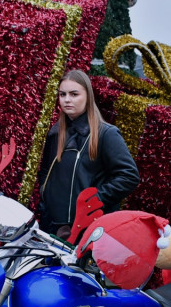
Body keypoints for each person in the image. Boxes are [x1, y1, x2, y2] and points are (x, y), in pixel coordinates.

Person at [39, 69, 140, 237]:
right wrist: (45, 196)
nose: (67, 100)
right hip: (51, 226)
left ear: (88, 96)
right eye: (62, 94)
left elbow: (129, 176)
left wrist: (93, 202)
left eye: (74, 94)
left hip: (86, 230)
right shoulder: (55, 133)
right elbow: (45, 173)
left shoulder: (106, 134)